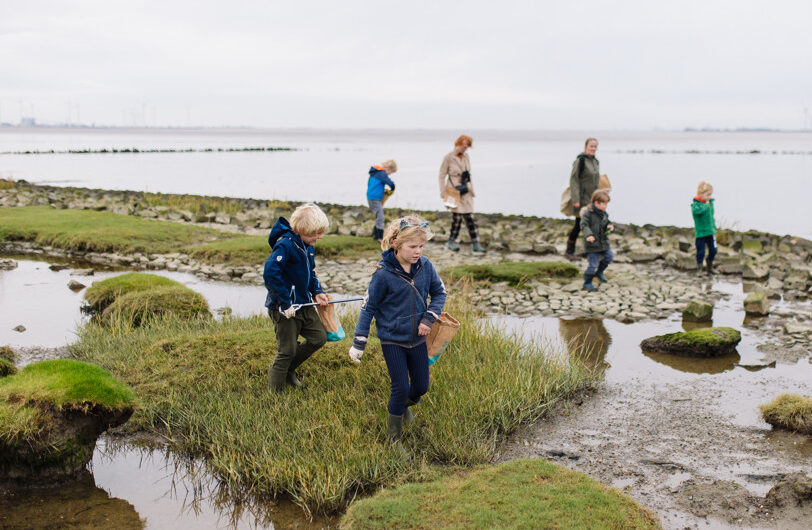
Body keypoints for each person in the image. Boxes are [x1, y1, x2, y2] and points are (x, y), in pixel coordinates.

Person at [348, 215, 447, 453]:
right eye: (412, 246)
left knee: (421, 387)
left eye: (421, 246)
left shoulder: (426, 266)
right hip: (392, 340)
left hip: (418, 339)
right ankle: (394, 440)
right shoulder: (382, 274)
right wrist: (359, 342)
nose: (418, 251)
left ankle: (403, 407)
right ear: (396, 244)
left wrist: (429, 318)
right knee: (400, 387)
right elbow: (368, 308)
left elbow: (439, 293)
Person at [263, 203, 330, 393]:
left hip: (304, 304)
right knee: (287, 350)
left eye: (320, 233)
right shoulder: (285, 245)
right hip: (283, 307)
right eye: (315, 233)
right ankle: (275, 393)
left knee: (319, 337)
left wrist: (317, 291)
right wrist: (284, 303)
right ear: (301, 230)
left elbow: (311, 273)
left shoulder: (308, 246)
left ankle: (288, 369)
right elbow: (270, 273)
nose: (319, 237)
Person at [438, 134, 485, 253]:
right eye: (463, 146)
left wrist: (472, 190)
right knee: (457, 218)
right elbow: (441, 175)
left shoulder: (466, 157)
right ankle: (451, 242)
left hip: (466, 189)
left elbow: (468, 174)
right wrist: (443, 192)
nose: (465, 149)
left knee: (470, 218)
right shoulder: (448, 157)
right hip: (453, 191)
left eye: (467, 147)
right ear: (457, 144)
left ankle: (476, 244)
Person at [565, 137, 601, 261]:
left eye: (595, 146)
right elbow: (574, 180)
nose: (593, 148)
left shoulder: (595, 162)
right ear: (586, 147)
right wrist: (575, 199)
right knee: (579, 225)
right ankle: (569, 251)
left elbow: (595, 181)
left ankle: (591, 251)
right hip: (581, 200)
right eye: (591, 146)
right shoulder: (580, 161)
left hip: (592, 200)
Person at [580, 190, 614, 292]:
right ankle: (587, 283)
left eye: (606, 204)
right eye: (604, 204)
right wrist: (589, 235)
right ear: (596, 203)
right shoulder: (588, 213)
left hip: (603, 243)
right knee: (592, 265)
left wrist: (610, 226)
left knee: (609, 256)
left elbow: (607, 222)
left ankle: (599, 272)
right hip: (592, 244)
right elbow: (584, 225)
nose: (606, 206)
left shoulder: (604, 214)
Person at [366, 160, 398, 241]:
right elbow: (390, 183)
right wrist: (393, 188)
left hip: (371, 196)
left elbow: (372, 185)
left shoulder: (375, 172)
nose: (389, 174)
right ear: (389, 168)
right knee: (380, 217)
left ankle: (375, 235)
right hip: (375, 198)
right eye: (391, 172)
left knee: (378, 216)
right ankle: (379, 236)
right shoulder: (382, 173)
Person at [691, 181, 717, 275]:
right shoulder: (696, 205)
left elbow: (712, 216)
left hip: (710, 232)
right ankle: (700, 269)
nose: (709, 197)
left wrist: (714, 228)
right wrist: (706, 205)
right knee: (700, 251)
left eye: (710, 194)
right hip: (701, 233)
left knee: (713, 250)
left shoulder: (710, 203)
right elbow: (696, 212)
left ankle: (710, 266)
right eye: (708, 195)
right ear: (701, 194)